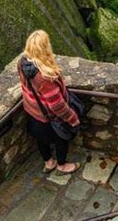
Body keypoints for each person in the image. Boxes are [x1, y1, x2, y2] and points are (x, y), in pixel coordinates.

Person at [18, 30, 81, 175]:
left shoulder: (22, 63)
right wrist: (73, 118)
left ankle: (49, 162)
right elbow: (57, 105)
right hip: (49, 117)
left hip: (33, 113)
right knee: (61, 139)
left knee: (41, 140)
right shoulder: (45, 76)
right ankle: (62, 166)